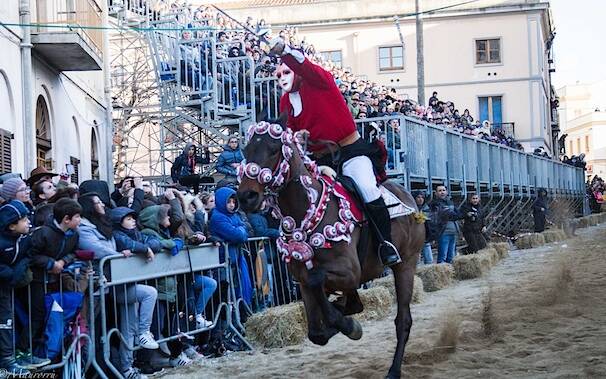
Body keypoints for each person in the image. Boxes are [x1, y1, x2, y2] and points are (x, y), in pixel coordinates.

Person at [270, 37, 400, 266]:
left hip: (350, 151)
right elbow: (290, 133)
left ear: (297, 71)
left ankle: (385, 243)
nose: (282, 78)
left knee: (367, 188)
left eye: (286, 72)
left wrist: (286, 51)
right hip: (319, 160)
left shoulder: (320, 81)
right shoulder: (284, 103)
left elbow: (307, 66)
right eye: (278, 76)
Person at [77, 194, 158, 379]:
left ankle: (127, 367)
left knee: (128, 327)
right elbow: (99, 249)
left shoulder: (105, 225)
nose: (101, 205)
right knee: (89, 330)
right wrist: (118, 254)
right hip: (98, 284)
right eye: (97, 202)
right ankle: (85, 370)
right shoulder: (86, 227)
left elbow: (149, 242)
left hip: (117, 282)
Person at [0, 200, 45, 375]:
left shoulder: (24, 238)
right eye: (24, 219)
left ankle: (8, 360)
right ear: (11, 226)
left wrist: (17, 272)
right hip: (4, 282)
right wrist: (8, 273)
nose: (29, 222)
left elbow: (28, 254)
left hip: (6, 289)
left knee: (5, 323)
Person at [209, 187, 252, 307]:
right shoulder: (217, 217)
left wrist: (240, 230)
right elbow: (238, 235)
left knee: (237, 291)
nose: (232, 205)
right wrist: (240, 229)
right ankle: (226, 321)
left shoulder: (234, 215)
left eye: (233, 202)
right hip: (223, 261)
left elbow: (246, 230)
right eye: (229, 202)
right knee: (225, 294)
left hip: (235, 259)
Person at [429, 185, 461, 264]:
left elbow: (459, 215)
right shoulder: (435, 204)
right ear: (436, 193)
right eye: (439, 191)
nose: (442, 192)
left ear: (446, 192)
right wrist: (452, 215)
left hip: (453, 232)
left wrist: (451, 215)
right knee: (442, 257)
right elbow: (452, 215)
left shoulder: (450, 202)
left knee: (451, 256)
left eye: (443, 190)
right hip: (443, 232)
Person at [412, 191, 432, 264]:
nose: (421, 199)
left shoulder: (426, 208)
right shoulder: (411, 209)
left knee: (429, 259)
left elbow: (430, 224)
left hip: (425, 237)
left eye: (422, 197)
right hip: (415, 238)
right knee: (416, 261)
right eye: (418, 197)